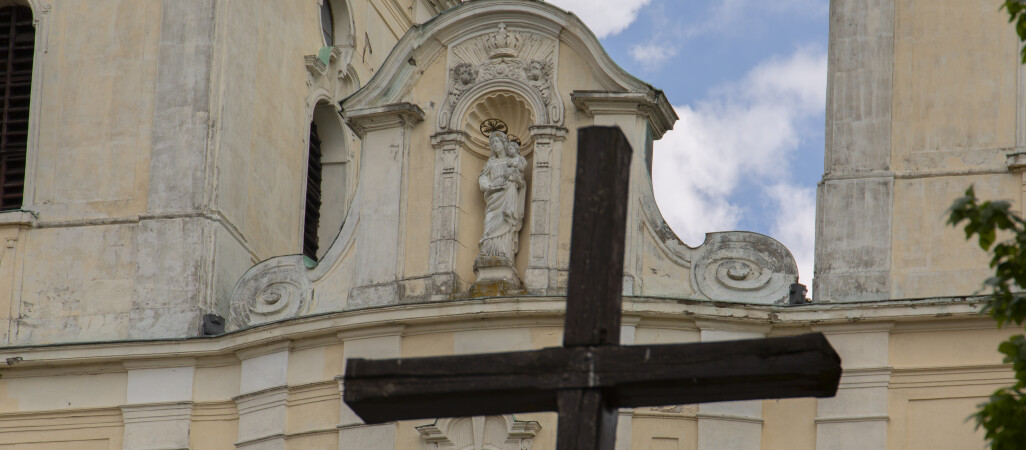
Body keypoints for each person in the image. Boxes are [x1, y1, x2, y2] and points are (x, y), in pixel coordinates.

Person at [478, 131, 525, 261]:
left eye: (497, 142)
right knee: (489, 221)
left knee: (506, 220)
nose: (494, 145)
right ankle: (487, 252)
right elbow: (483, 177)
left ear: (504, 144)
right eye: (492, 143)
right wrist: (486, 185)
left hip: (507, 192)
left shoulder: (511, 161)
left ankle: (504, 252)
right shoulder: (491, 162)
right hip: (493, 194)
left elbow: (520, 181)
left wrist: (516, 180)